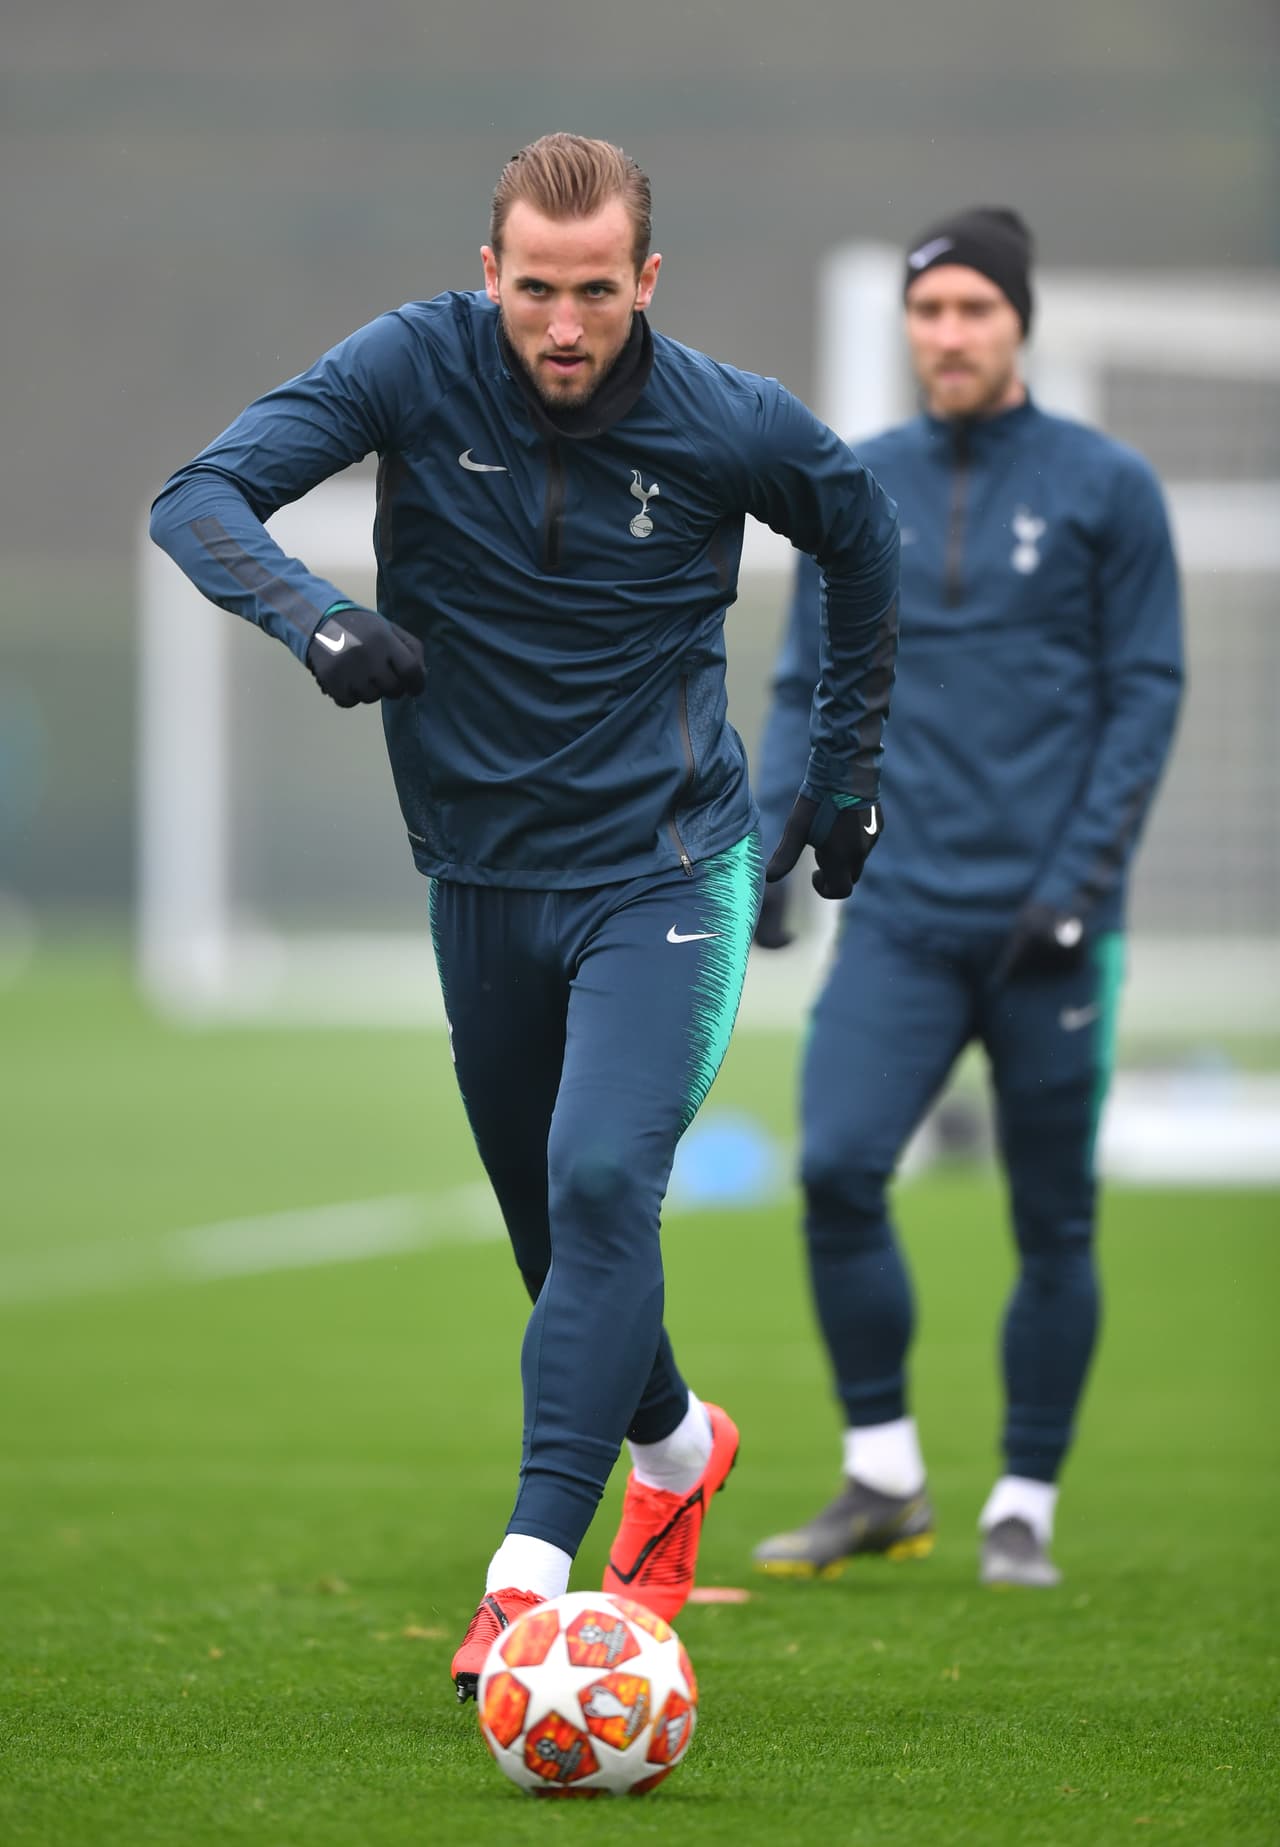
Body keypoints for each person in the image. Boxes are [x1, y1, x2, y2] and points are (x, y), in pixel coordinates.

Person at [149, 133, 899, 1694]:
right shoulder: (409, 367)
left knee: (603, 1180)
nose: (566, 327)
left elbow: (859, 532)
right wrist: (319, 617)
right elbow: (199, 497)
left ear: (647, 282)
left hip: (667, 866)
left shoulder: (724, 418)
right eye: (537, 291)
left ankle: (528, 1576)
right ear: (489, 273)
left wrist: (845, 773)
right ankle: (683, 1448)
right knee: (555, 1233)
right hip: (482, 879)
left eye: (599, 293)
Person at [751, 206, 1182, 1587]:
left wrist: (1079, 885)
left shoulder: (1106, 488)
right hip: (905, 915)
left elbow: (1145, 694)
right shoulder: (854, 484)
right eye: (930, 314)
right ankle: (883, 1477)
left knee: (1053, 1222)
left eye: (974, 312)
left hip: (1053, 930)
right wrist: (773, 847)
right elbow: (802, 682)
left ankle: (1024, 1506)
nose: (949, 336)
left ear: (1019, 323)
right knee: (833, 1169)